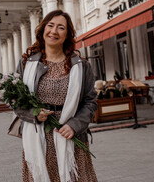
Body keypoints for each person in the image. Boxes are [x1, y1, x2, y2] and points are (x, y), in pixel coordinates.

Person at [15, 9, 98, 182]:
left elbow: (90, 101)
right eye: (50, 25)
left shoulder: (80, 66)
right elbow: (16, 101)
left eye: (61, 27)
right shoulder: (26, 64)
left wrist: (75, 125)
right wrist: (34, 114)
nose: (54, 31)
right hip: (38, 137)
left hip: (69, 135)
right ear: (43, 29)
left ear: (67, 34)